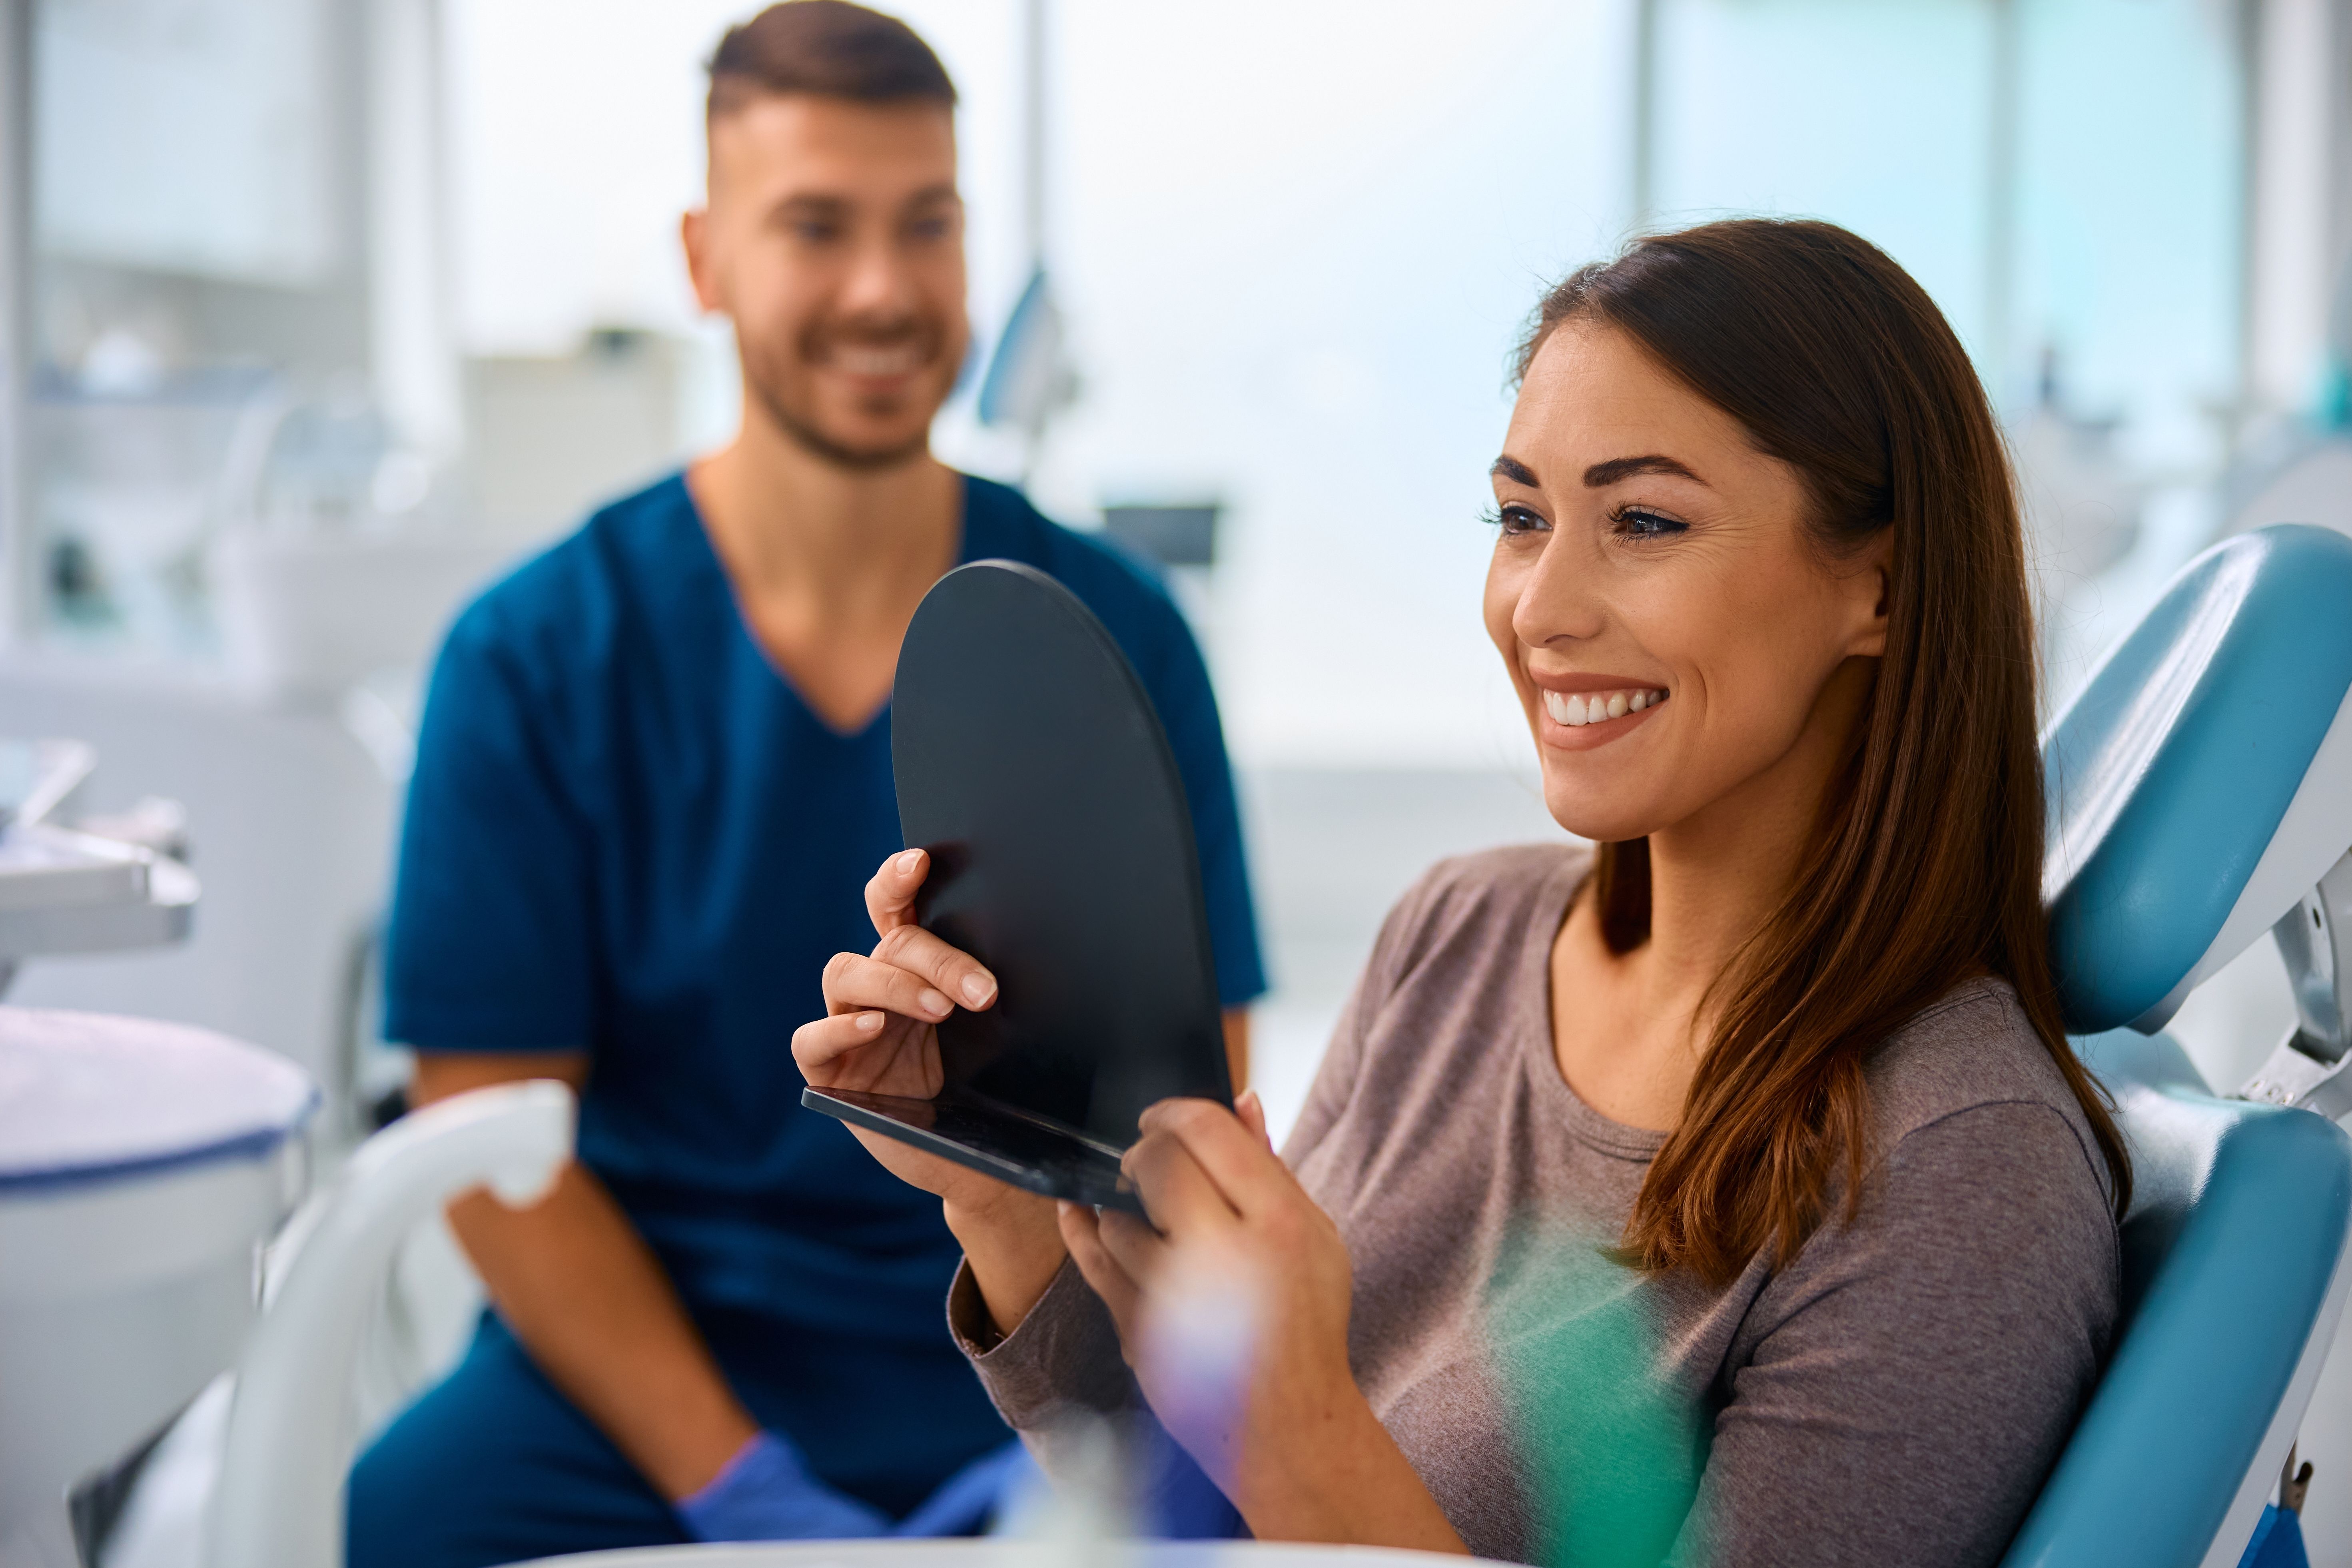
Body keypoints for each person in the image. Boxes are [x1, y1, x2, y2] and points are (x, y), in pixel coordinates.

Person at [797, 217, 2133, 1566]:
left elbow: (1280, 1452)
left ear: (1882, 588)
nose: (1539, 606)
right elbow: (1191, 1498)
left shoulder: (1960, 1160)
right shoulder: (1460, 935)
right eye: (1520, 518)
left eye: (1646, 522)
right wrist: (1003, 1191)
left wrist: (1302, 1417)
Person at [346, 6, 1264, 1565]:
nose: (883, 290)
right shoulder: (535, 657)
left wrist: (1068, 1409)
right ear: (704, 261)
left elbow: (1196, 1100)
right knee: (410, 1510)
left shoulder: (1111, 629)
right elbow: (491, 1146)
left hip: (1036, 1332)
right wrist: (737, 1492)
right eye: (814, 228)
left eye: (929, 225)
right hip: (655, 1370)